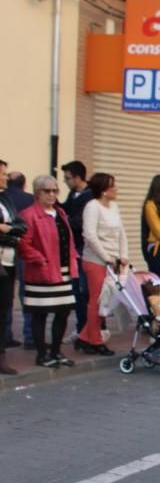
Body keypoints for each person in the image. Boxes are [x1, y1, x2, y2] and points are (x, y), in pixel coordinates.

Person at [18, 176, 78, 368]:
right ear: (37, 192)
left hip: (63, 270)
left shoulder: (60, 213)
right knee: (40, 313)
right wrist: (40, 259)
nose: (52, 195)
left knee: (63, 311)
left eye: (55, 190)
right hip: (41, 272)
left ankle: (56, 351)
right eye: (47, 191)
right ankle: (42, 354)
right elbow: (23, 244)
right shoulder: (29, 214)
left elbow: (67, 240)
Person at [79, 172, 127, 356]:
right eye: (112, 186)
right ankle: (95, 340)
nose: (116, 189)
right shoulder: (92, 207)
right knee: (97, 300)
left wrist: (123, 256)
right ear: (104, 190)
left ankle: (84, 337)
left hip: (113, 259)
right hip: (95, 260)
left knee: (108, 299)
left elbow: (121, 233)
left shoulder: (114, 207)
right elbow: (89, 235)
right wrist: (106, 257)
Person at [60, 161, 94, 347]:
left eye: (68, 178)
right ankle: (82, 328)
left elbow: (78, 222)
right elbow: (65, 210)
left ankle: (88, 329)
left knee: (84, 292)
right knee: (78, 292)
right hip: (74, 250)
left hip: (84, 250)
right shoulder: (74, 194)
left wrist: (65, 220)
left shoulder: (89, 197)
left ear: (78, 177)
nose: (66, 182)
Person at [0, 159, 27, 374]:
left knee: (4, 308)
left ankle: (1, 357)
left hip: (8, 261)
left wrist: (7, 230)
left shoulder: (6, 198)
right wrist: (11, 233)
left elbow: (21, 226)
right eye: (2, 174)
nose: (5, 178)